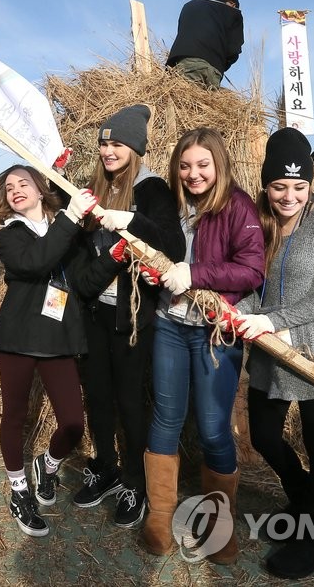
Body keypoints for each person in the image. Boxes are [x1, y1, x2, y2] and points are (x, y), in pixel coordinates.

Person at [136, 127, 264, 562]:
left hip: (215, 331)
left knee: (212, 427)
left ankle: (219, 523)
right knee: (166, 416)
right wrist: (154, 275)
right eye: (185, 165)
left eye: (202, 165)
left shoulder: (237, 206)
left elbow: (251, 271)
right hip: (169, 325)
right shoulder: (170, 205)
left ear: (219, 165)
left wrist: (197, 274)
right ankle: (159, 516)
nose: (193, 174)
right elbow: (153, 254)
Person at [234, 127, 314, 579]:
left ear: (310, 185)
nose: (289, 196)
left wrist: (274, 321)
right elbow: (253, 287)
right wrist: (239, 312)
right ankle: (304, 498)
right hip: (270, 355)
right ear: (266, 185)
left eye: (299, 187)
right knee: (264, 436)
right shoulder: (259, 223)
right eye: (279, 186)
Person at [64, 104, 184, 530]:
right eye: (103, 143)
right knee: (97, 397)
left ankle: (135, 479)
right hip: (94, 312)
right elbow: (77, 251)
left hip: (133, 315)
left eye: (116, 144)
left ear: (134, 148)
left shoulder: (151, 189)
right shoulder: (92, 189)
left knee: (131, 402)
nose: (108, 151)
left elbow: (174, 243)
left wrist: (131, 220)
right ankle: (105, 466)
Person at [0, 164, 97, 537]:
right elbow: (36, 262)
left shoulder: (69, 228)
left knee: (73, 424)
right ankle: (19, 491)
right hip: (17, 338)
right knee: (14, 414)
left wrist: (117, 256)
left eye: (23, 183)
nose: (16, 190)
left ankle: (47, 465)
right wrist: (70, 218)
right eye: (9, 186)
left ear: (41, 188)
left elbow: (81, 279)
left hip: (58, 339)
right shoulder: (9, 235)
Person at [166, 0, 243, 89]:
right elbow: (234, 49)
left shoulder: (190, 5)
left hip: (181, 62)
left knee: (180, 99)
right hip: (213, 68)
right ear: (232, 4)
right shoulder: (233, 12)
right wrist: (222, 64)